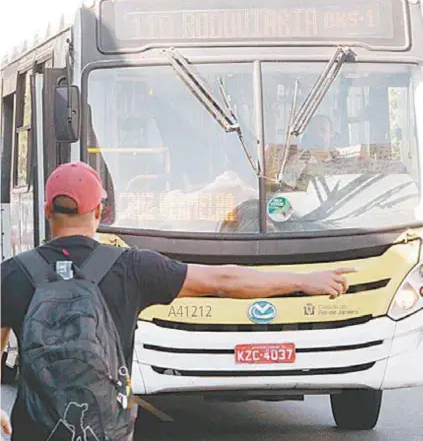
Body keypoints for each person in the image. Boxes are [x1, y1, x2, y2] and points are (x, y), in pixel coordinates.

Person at [1, 162, 355, 441]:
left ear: (48, 210)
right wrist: (303, 280)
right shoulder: (131, 266)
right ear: (99, 211)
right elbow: (224, 280)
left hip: (35, 431)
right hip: (104, 429)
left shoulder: (14, 274)